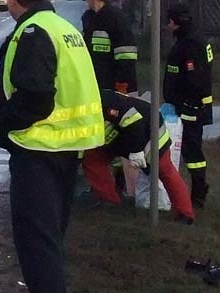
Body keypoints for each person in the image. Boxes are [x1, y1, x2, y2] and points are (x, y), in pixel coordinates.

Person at [0, 0, 104, 293]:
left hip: (39, 150)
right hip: (65, 151)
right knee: (50, 242)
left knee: (38, 246)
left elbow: (34, 97)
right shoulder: (65, 29)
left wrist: (3, 128)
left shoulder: (33, 33)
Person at [82, 90, 195, 224]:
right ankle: (110, 202)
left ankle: (186, 214)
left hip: (149, 130)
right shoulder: (80, 106)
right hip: (117, 137)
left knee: (164, 169)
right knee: (91, 159)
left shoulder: (106, 100)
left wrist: (136, 151)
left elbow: (134, 123)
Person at [163, 3, 213, 208]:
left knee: (192, 151)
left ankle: (199, 193)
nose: (167, 26)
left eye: (169, 22)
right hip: (188, 105)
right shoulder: (192, 40)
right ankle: (195, 190)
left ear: (176, 23)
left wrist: (185, 101)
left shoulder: (189, 45)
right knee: (189, 149)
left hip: (191, 106)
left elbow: (195, 79)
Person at [82, 0, 138, 95]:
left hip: (116, 83)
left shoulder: (114, 17)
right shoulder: (89, 18)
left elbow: (126, 52)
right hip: (96, 81)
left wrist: (122, 81)